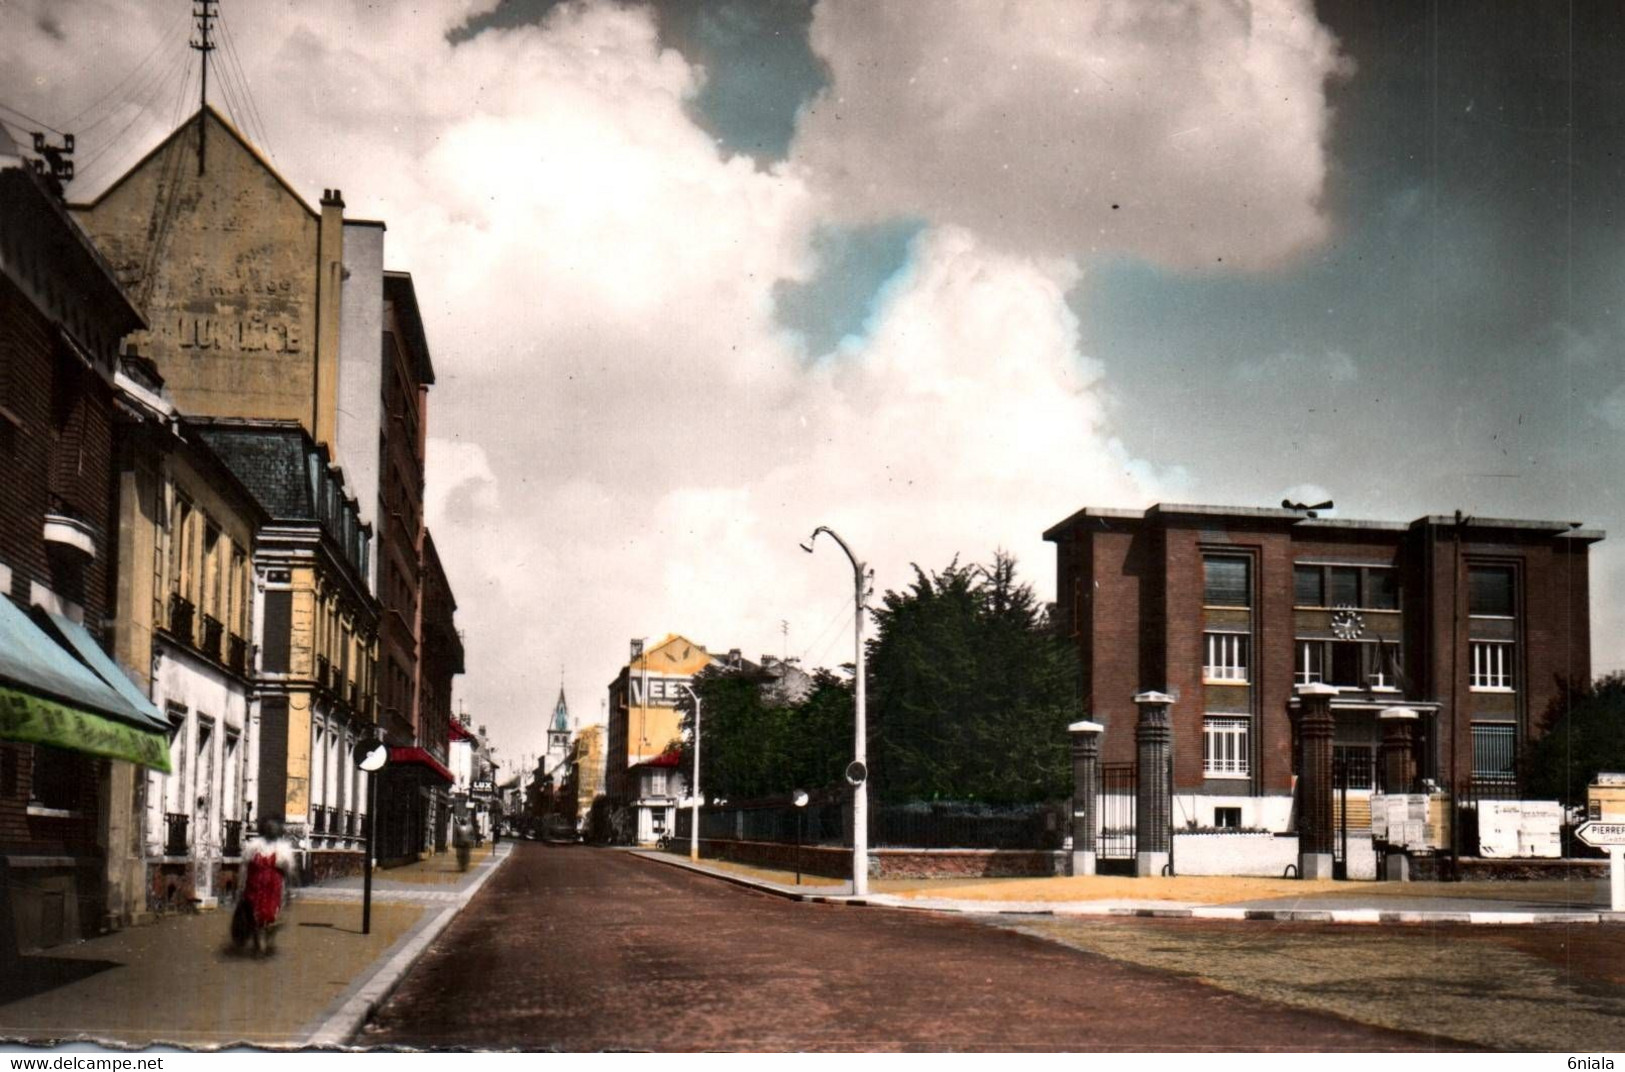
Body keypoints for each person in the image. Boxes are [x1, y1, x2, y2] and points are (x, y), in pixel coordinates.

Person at [240, 818, 295, 957]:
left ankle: (265, 940)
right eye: (268, 828)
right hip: (255, 886)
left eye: (274, 828)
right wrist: (240, 884)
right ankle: (259, 944)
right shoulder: (254, 845)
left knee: (269, 915)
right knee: (255, 914)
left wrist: (289, 889)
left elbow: (288, 869)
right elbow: (245, 865)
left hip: (273, 888)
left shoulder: (282, 848)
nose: (271, 830)